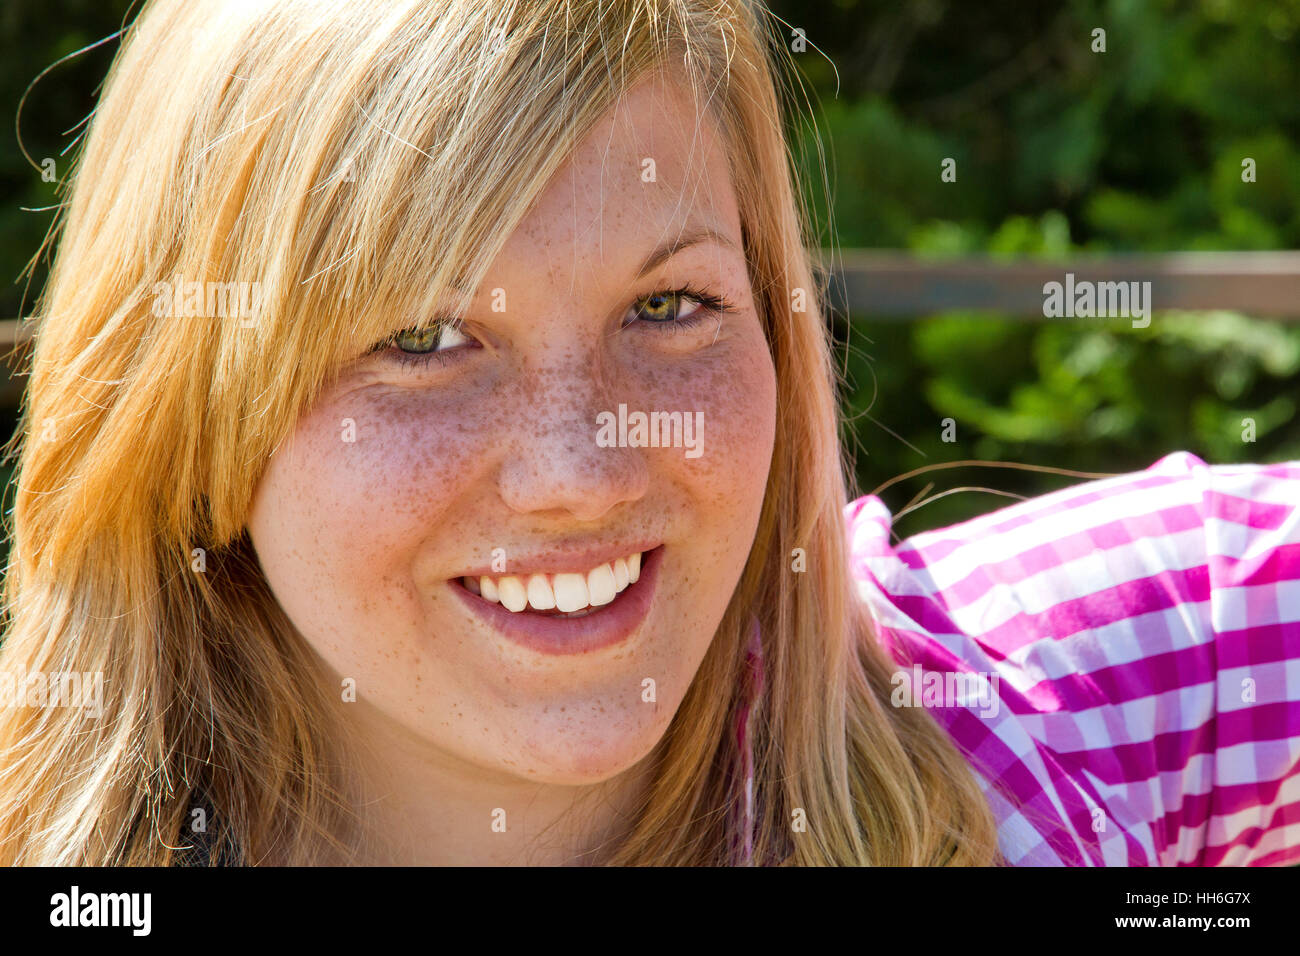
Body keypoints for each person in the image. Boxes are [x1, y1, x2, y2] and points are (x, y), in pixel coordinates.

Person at [0, 0, 1295, 866]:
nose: (576, 473)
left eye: (670, 306)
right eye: (418, 339)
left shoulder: (968, 743)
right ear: (185, 414)